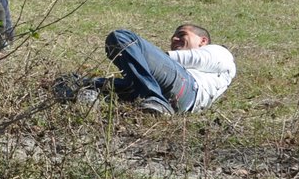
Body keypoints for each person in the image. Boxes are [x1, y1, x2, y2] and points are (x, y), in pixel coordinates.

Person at [55, 23, 236, 114]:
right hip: (175, 97)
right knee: (76, 81)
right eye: (173, 37)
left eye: (182, 34)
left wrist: (140, 53)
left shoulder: (220, 53)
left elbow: (193, 58)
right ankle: (82, 95)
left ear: (203, 40)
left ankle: (154, 99)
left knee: (122, 38)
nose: (174, 40)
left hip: (186, 87)